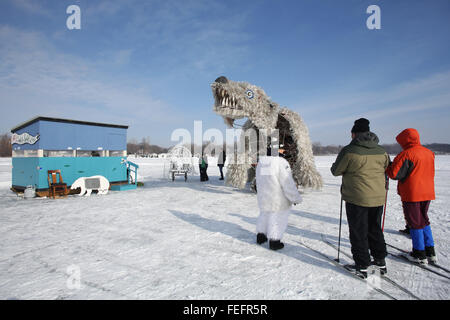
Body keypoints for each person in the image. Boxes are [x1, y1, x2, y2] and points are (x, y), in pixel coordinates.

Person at [331, 118, 389, 278]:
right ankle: (380, 261)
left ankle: (363, 265)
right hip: (378, 197)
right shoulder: (381, 150)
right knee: (375, 228)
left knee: (358, 231)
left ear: (354, 134)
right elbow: (387, 168)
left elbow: (336, 171)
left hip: (357, 198)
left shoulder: (349, 150)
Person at [386, 128, 436, 264]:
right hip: (427, 192)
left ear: (405, 140)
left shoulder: (406, 154)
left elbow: (394, 174)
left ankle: (419, 253)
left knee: (414, 222)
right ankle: (430, 250)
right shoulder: (429, 153)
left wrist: (388, 166)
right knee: (424, 219)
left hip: (412, 193)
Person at [255, 148, 302, 250]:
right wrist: (295, 198)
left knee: (264, 215)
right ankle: (274, 241)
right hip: (278, 198)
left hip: (264, 197)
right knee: (277, 218)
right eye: (281, 150)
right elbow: (287, 183)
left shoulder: (261, 163)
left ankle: (261, 236)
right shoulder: (280, 163)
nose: (283, 152)